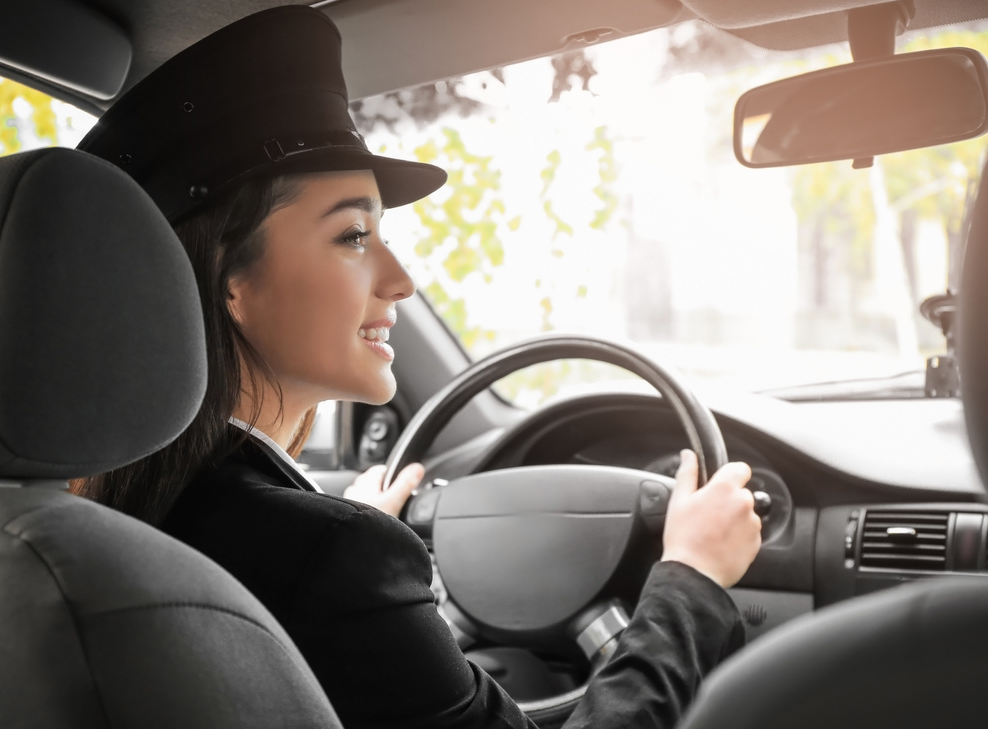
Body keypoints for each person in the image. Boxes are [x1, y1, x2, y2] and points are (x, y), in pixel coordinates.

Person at [74, 6, 763, 729]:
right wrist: (690, 579)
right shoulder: (330, 560)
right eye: (353, 235)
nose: (401, 279)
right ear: (230, 282)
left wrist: (350, 531)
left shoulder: (101, 508)